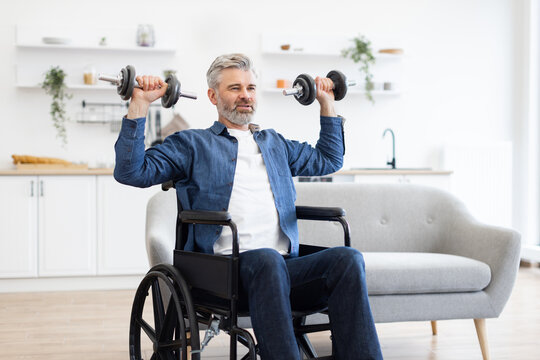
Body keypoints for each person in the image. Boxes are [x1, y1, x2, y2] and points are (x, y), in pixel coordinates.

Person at [114, 53, 383, 360]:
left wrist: (326, 102)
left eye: (251, 87)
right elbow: (131, 172)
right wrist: (140, 103)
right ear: (213, 96)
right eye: (235, 88)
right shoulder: (191, 144)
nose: (245, 95)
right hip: (223, 273)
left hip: (283, 265)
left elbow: (329, 159)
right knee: (268, 261)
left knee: (348, 259)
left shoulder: (275, 143)